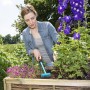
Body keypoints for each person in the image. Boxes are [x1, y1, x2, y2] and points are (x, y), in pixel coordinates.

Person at [21, 4, 59, 70]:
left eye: (32, 18)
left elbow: (59, 41)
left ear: (36, 15)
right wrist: (34, 51)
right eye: (27, 20)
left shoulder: (47, 26)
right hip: (39, 68)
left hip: (54, 64)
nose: (31, 22)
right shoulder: (25, 33)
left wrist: (57, 51)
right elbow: (28, 50)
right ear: (24, 21)